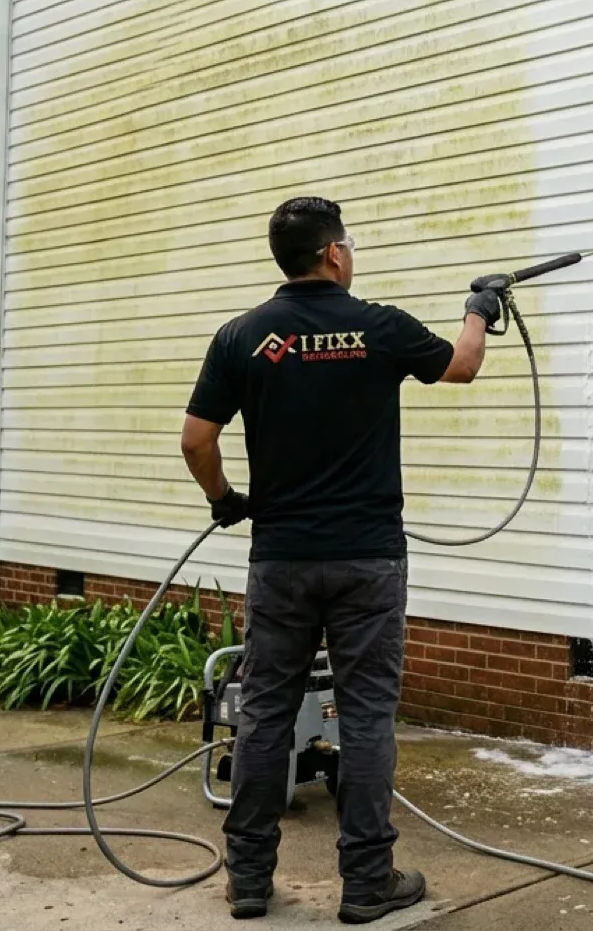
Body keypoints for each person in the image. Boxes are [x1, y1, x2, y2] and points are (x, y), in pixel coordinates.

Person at [179, 197, 500, 923]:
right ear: (332, 254)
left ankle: (251, 879)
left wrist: (227, 499)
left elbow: (196, 440)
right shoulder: (378, 327)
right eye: (348, 244)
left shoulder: (243, 336)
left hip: (282, 558)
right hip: (368, 562)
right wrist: (479, 307)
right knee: (365, 717)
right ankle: (366, 883)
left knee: (263, 714)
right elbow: (463, 365)